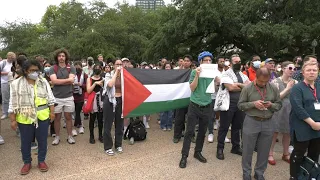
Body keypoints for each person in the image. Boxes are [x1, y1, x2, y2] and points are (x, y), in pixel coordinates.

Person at [9, 59, 55, 175]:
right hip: (24, 118)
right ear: (25, 71)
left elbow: (51, 99)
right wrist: (13, 120)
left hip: (42, 116)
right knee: (25, 142)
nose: (35, 73)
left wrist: (52, 113)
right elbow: (12, 103)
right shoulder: (16, 84)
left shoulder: (43, 81)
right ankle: (27, 162)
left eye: (37, 70)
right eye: (32, 70)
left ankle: (41, 161)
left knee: (43, 141)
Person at [238, 67, 282, 180]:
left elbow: (279, 105)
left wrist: (271, 105)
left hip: (268, 121)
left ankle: (259, 172)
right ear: (256, 77)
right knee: (248, 149)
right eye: (261, 81)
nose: (263, 83)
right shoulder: (247, 88)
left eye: (265, 81)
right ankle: (246, 172)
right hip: (252, 121)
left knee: (264, 150)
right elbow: (241, 105)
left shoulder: (273, 88)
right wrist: (253, 104)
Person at [179, 51, 218, 168]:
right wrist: (197, 75)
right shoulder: (194, 72)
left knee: (202, 131)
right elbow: (192, 88)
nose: (208, 62)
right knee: (189, 132)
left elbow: (214, 89)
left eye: (210, 60)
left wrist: (217, 81)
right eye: (206, 60)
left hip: (207, 106)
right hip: (194, 105)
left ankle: (197, 152)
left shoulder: (212, 73)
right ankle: (184, 156)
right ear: (201, 61)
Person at [289, 61, 320, 179]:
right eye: (308, 70)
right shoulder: (297, 88)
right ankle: (294, 176)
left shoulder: (318, 86)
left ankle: (310, 175)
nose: (312, 72)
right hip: (302, 127)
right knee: (299, 154)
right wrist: (312, 123)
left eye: (314, 70)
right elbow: (298, 108)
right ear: (303, 72)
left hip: (318, 127)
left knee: (314, 154)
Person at [216, 54, 250, 160]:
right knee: (224, 127)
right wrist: (242, 86)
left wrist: (238, 84)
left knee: (237, 127)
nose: (238, 63)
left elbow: (250, 87)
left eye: (239, 61)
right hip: (228, 104)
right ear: (230, 63)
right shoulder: (226, 74)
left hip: (240, 104)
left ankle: (235, 147)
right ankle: (220, 149)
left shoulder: (243, 74)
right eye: (235, 61)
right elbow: (230, 87)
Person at [268, 61, 297, 166]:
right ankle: (270, 154)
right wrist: (288, 88)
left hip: (290, 109)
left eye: (294, 69)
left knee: (287, 132)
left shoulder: (296, 82)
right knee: (274, 132)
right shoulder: (275, 82)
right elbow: (275, 98)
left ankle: (285, 153)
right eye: (290, 68)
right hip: (278, 109)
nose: (292, 71)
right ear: (283, 69)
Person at [49, 49, 77, 145]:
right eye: (59, 56)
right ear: (57, 57)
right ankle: (57, 136)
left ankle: (70, 136)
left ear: (66, 57)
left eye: (63, 56)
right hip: (57, 97)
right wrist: (67, 80)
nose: (61, 57)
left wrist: (58, 81)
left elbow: (71, 81)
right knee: (57, 118)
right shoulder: (53, 68)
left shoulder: (71, 67)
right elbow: (54, 81)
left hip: (69, 96)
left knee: (68, 117)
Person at [103, 59, 124, 155]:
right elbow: (110, 84)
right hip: (110, 101)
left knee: (119, 124)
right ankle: (108, 146)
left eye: (120, 64)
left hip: (120, 101)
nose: (119, 65)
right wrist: (116, 73)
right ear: (114, 65)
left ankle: (118, 144)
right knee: (108, 124)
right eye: (117, 64)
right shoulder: (109, 75)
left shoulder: (125, 76)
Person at [173, 55, 195, 143]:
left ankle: (191, 135)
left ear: (191, 63)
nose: (186, 62)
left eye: (188, 61)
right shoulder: (178, 72)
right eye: (184, 60)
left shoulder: (194, 72)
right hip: (181, 98)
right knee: (179, 118)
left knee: (191, 118)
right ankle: (177, 136)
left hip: (191, 98)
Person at [208, 56, 225, 143]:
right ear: (217, 62)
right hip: (213, 96)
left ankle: (222, 134)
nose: (222, 62)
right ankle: (210, 133)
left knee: (223, 116)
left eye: (223, 61)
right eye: (220, 61)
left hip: (223, 96)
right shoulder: (213, 71)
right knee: (211, 116)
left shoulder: (226, 72)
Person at [87, 64, 104, 144]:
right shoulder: (89, 79)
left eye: (99, 68)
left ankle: (100, 136)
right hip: (93, 100)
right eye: (96, 68)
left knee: (100, 119)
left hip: (101, 100)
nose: (97, 69)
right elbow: (88, 90)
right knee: (92, 119)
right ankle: (91, 136)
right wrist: (95, 83)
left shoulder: (103, 79)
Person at [73, 61, 87, 135]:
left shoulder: (84, 75)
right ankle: (74, 127)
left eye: (79, 66)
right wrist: (73, 84)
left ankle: (80, 125)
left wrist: (81, 85)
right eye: (76, 66)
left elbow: (87, 86)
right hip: (73, 95)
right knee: (74, 111)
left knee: (79, 111)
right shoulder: (71, 74)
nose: (77, 67)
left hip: (81, 96)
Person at [1, 52, 15, 120]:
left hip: (13, 82)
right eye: (11, 58)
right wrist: (8, 73)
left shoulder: (14, 63)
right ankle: (5, 113)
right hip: (4, 82)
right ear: (8, 57)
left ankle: (13, 112)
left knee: (13, 97)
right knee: (5, 98)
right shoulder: (3, 63)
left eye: (13, 58)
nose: (12, 59)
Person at [160, 62, 174, 131]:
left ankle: (169, 125)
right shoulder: (161, 75)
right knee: (163, 112)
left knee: (170, 112)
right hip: (163, 95)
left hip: (171, 95)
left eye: (169, 67)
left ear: (171, 68)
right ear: (164, 68)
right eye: (166, 67)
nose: (168, 68)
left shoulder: (174, 76)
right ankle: (163, 125)